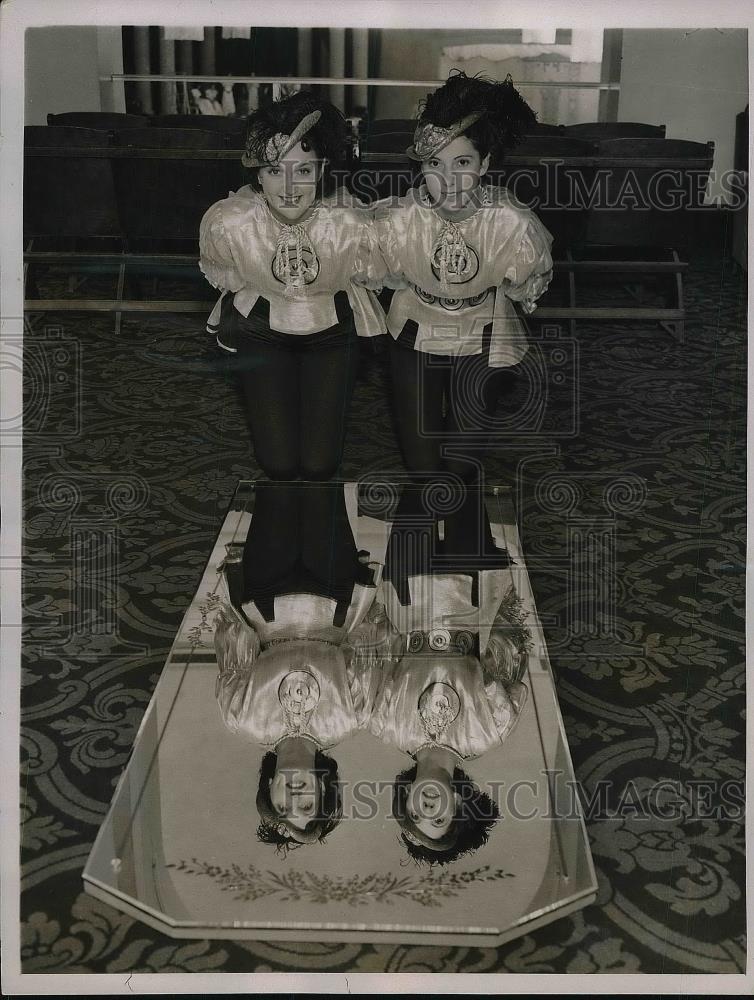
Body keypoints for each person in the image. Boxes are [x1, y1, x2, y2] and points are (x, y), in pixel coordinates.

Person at [374, 71, 553, 504]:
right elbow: (376, 269)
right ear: (420, 167)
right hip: (415, 329)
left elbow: (525, 284)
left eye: (463, 163)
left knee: (458, 469)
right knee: (422, 468)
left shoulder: (511, 223)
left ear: (485, 165)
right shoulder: (398, 218)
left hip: (483, 334)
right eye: (434, 164)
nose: (448, 180)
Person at [199, 91, 386, 482]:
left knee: (320, 463)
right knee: (277, 463)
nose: (288, 187)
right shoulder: (230, 223)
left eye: (302, 170)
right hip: (260, 329)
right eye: (273, 170)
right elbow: (227, 273)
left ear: (321, 170)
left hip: (333, 332)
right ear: (256, 175)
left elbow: (373, 271)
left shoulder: (350, 224)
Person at [213, 481, 387, 850]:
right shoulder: (351, 718)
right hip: (335, 595)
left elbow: (235, 639)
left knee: (276, 483)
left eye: (283, 805)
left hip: (264, 595)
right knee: (324, 485)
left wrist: (240, 587)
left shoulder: (242, 719)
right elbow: (369, 642)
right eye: (306, 804)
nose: (293, 796)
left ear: (270, 790)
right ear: (324, 789)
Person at [369, 480, 531, 865]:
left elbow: (378, 648)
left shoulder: (384, 724)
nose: (426, 809)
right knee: (466, 481)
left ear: (406, 801)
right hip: (472, 591)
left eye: (416, 816)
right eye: (439, 818)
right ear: (459, 802)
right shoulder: (490, 733)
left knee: (418, 479)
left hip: (407, 591)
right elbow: (509, 656)